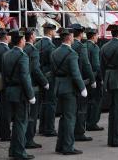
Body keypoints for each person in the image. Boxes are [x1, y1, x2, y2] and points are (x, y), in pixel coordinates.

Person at [51, 27, 86, 155]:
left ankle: (60, 145)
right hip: (69, 88)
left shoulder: (54, 52)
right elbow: (76, 74)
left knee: (63, 118)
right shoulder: (72, 54)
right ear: (69, 37)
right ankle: (68, 147)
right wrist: (82, 88)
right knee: (70, 118)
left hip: (59, 87)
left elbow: (54, 72)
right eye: (71, 36)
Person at [2, 30, 35, 159]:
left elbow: (4, 75)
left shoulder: (6, 54)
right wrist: (31, 95)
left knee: (16, 123)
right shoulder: (23, 56)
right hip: (20, 93)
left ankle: (13, 150)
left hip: (10, 92)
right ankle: (20, 152)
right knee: (21, 123)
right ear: (21, 40)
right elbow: (25, 77)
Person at [23, 28, 49, 148]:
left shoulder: (23, 48)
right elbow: (35, 70)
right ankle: (29, 140)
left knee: (25, 115)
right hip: (33, 86)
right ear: (32, 36)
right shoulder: (33, 50)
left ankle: (25, 138)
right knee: (32, 115)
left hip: (24, 85)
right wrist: (44, 82)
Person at [71, 24, 96, 141]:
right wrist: (92, 79)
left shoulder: (70, 44)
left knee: (73, 109)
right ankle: (79, 132)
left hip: (69, 80)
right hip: (80, 80)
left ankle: (72, 131)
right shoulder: (81, 46)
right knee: (81, 108)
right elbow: (86, 64)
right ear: (81, 34)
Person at [35, 23, 58, 137]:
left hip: (40, 75)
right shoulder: (51, 46)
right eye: (54, 31)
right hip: (49, 76)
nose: (55, 33)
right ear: (50, 32)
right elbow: (53, 63)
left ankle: (42, 127)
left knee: (43, 102)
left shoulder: (38, 44)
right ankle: (49, 128)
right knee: (50, 103)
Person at [85, 28, 104, 131]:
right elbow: (97, 65)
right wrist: (101, 78)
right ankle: (92, 123)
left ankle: (86, 121)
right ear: (93, 36)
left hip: (85, 77)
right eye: (97, 35)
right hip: (94, 78)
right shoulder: (94, 48)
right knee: (96, 101)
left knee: (87, 101)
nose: (97, 37)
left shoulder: (84, 46)